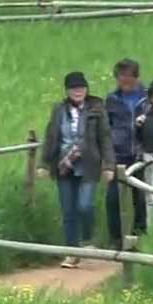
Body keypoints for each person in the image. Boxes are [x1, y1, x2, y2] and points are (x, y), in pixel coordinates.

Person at [39, 72, 113, 268]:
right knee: (68, 211)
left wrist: (108, 165)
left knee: (85, 206)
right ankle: (72, 252)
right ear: (67, 91)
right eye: (73, 88)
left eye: (80, 88)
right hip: (64, 165)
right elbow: (51, 137)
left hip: (88, 165)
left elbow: (105, 138)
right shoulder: (59, 110)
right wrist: (44, 164)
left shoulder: (97, 109)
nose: (77, 91)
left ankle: (87, 240)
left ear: (87, 89)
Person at [104, 58, 148, 246]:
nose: (125, 82)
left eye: (128, 78)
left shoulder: (148, 98)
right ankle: (116, 239)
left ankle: (140, 236)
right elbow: (105, 128)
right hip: (118, 154)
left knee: (142, 198)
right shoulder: (112, 99)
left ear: (136, 77)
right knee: (113, 198)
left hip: (142, 154)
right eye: (121, 78)